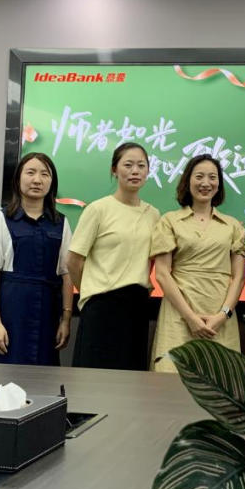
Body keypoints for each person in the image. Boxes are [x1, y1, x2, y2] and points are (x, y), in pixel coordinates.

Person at [150, 155, 245, 372]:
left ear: (219, 184)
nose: (206, 183)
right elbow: (162, 274)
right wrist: (191, 318)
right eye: (199, 176)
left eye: (212, 177)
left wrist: (223, 315)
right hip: (178, 315)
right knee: (170, 379)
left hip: (219, 319)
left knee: (221, 381)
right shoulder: (169, 221)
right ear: (187, 181)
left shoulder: (233, 226)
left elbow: (239, 278)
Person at [67, 142, 161, 370]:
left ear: (148, 171)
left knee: (130, 379)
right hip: (101, 305)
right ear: (114, 170)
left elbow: (149, 261)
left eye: (141, 165)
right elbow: (73, 261)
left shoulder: (153, 214)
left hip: (137, 306)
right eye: (128, 165)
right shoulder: (98, 209)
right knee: (94, 378)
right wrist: (91, 289)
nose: (135, 171)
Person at [0, 152, 73, 365]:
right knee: (5, 375)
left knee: (44, 376)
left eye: (44, 174)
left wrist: (66, 319)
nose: (37, 180)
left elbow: (67, 273)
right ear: (18, 178)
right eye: (30, 173)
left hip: (48, 314)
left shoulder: (61, 223)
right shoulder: (1, 219)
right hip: (11, 312)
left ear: (52, 182)